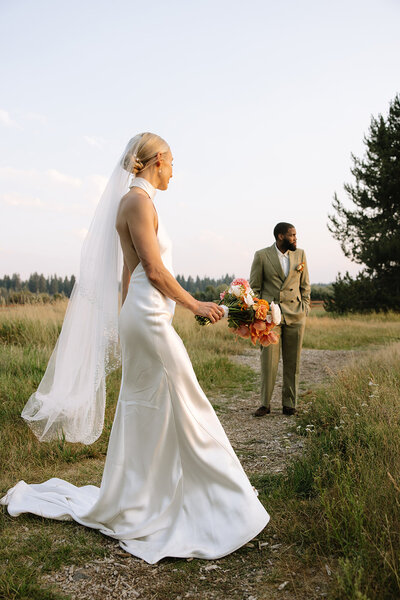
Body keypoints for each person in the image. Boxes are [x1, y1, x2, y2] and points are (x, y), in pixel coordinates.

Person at [1, 133, 269, 564]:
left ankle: (147, 494)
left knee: (150, 406)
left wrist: (135, 315)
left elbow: (131, 274)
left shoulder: (136, 202)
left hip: (144, 317)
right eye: (172, 162)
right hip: (146, 318)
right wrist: (193, 303)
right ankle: (226, 505)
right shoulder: (139, 203)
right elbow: (152, 269)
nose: (174, 171)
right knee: (187, 399)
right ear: (157, 160)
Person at [249, 222, 310, 417]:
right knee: (268, 361)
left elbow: (305, 285)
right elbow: (255, 288)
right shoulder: (262, 255)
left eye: (295, 235)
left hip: (295, 313)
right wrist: (258, 312)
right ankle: (265, 404)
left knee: (293, 361)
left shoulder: (300, 254)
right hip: (269, 317)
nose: (295, 238)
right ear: (280, 236)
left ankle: (289, 404)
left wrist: (304, 308)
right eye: (292, 235)